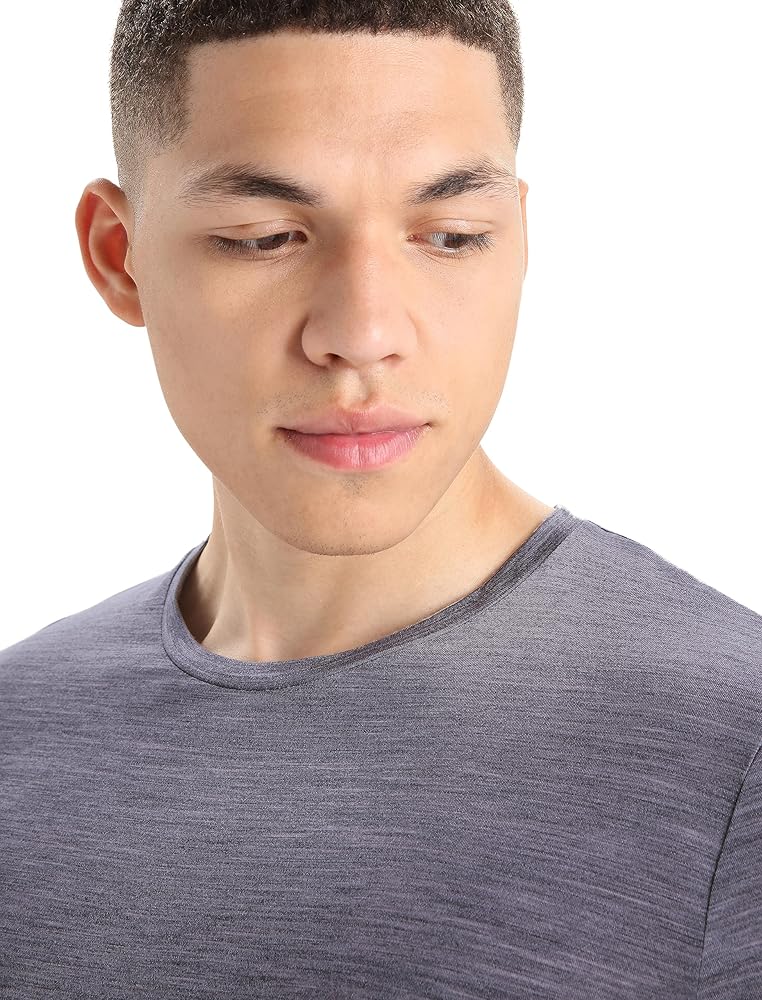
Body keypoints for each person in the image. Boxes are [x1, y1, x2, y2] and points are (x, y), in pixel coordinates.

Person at [1, 2, 759, 998]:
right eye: (266, 237)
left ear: (520, 240)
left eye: (451, 236)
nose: (362, 333)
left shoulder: (734, 751)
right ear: (118, 254)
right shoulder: (18, 733)